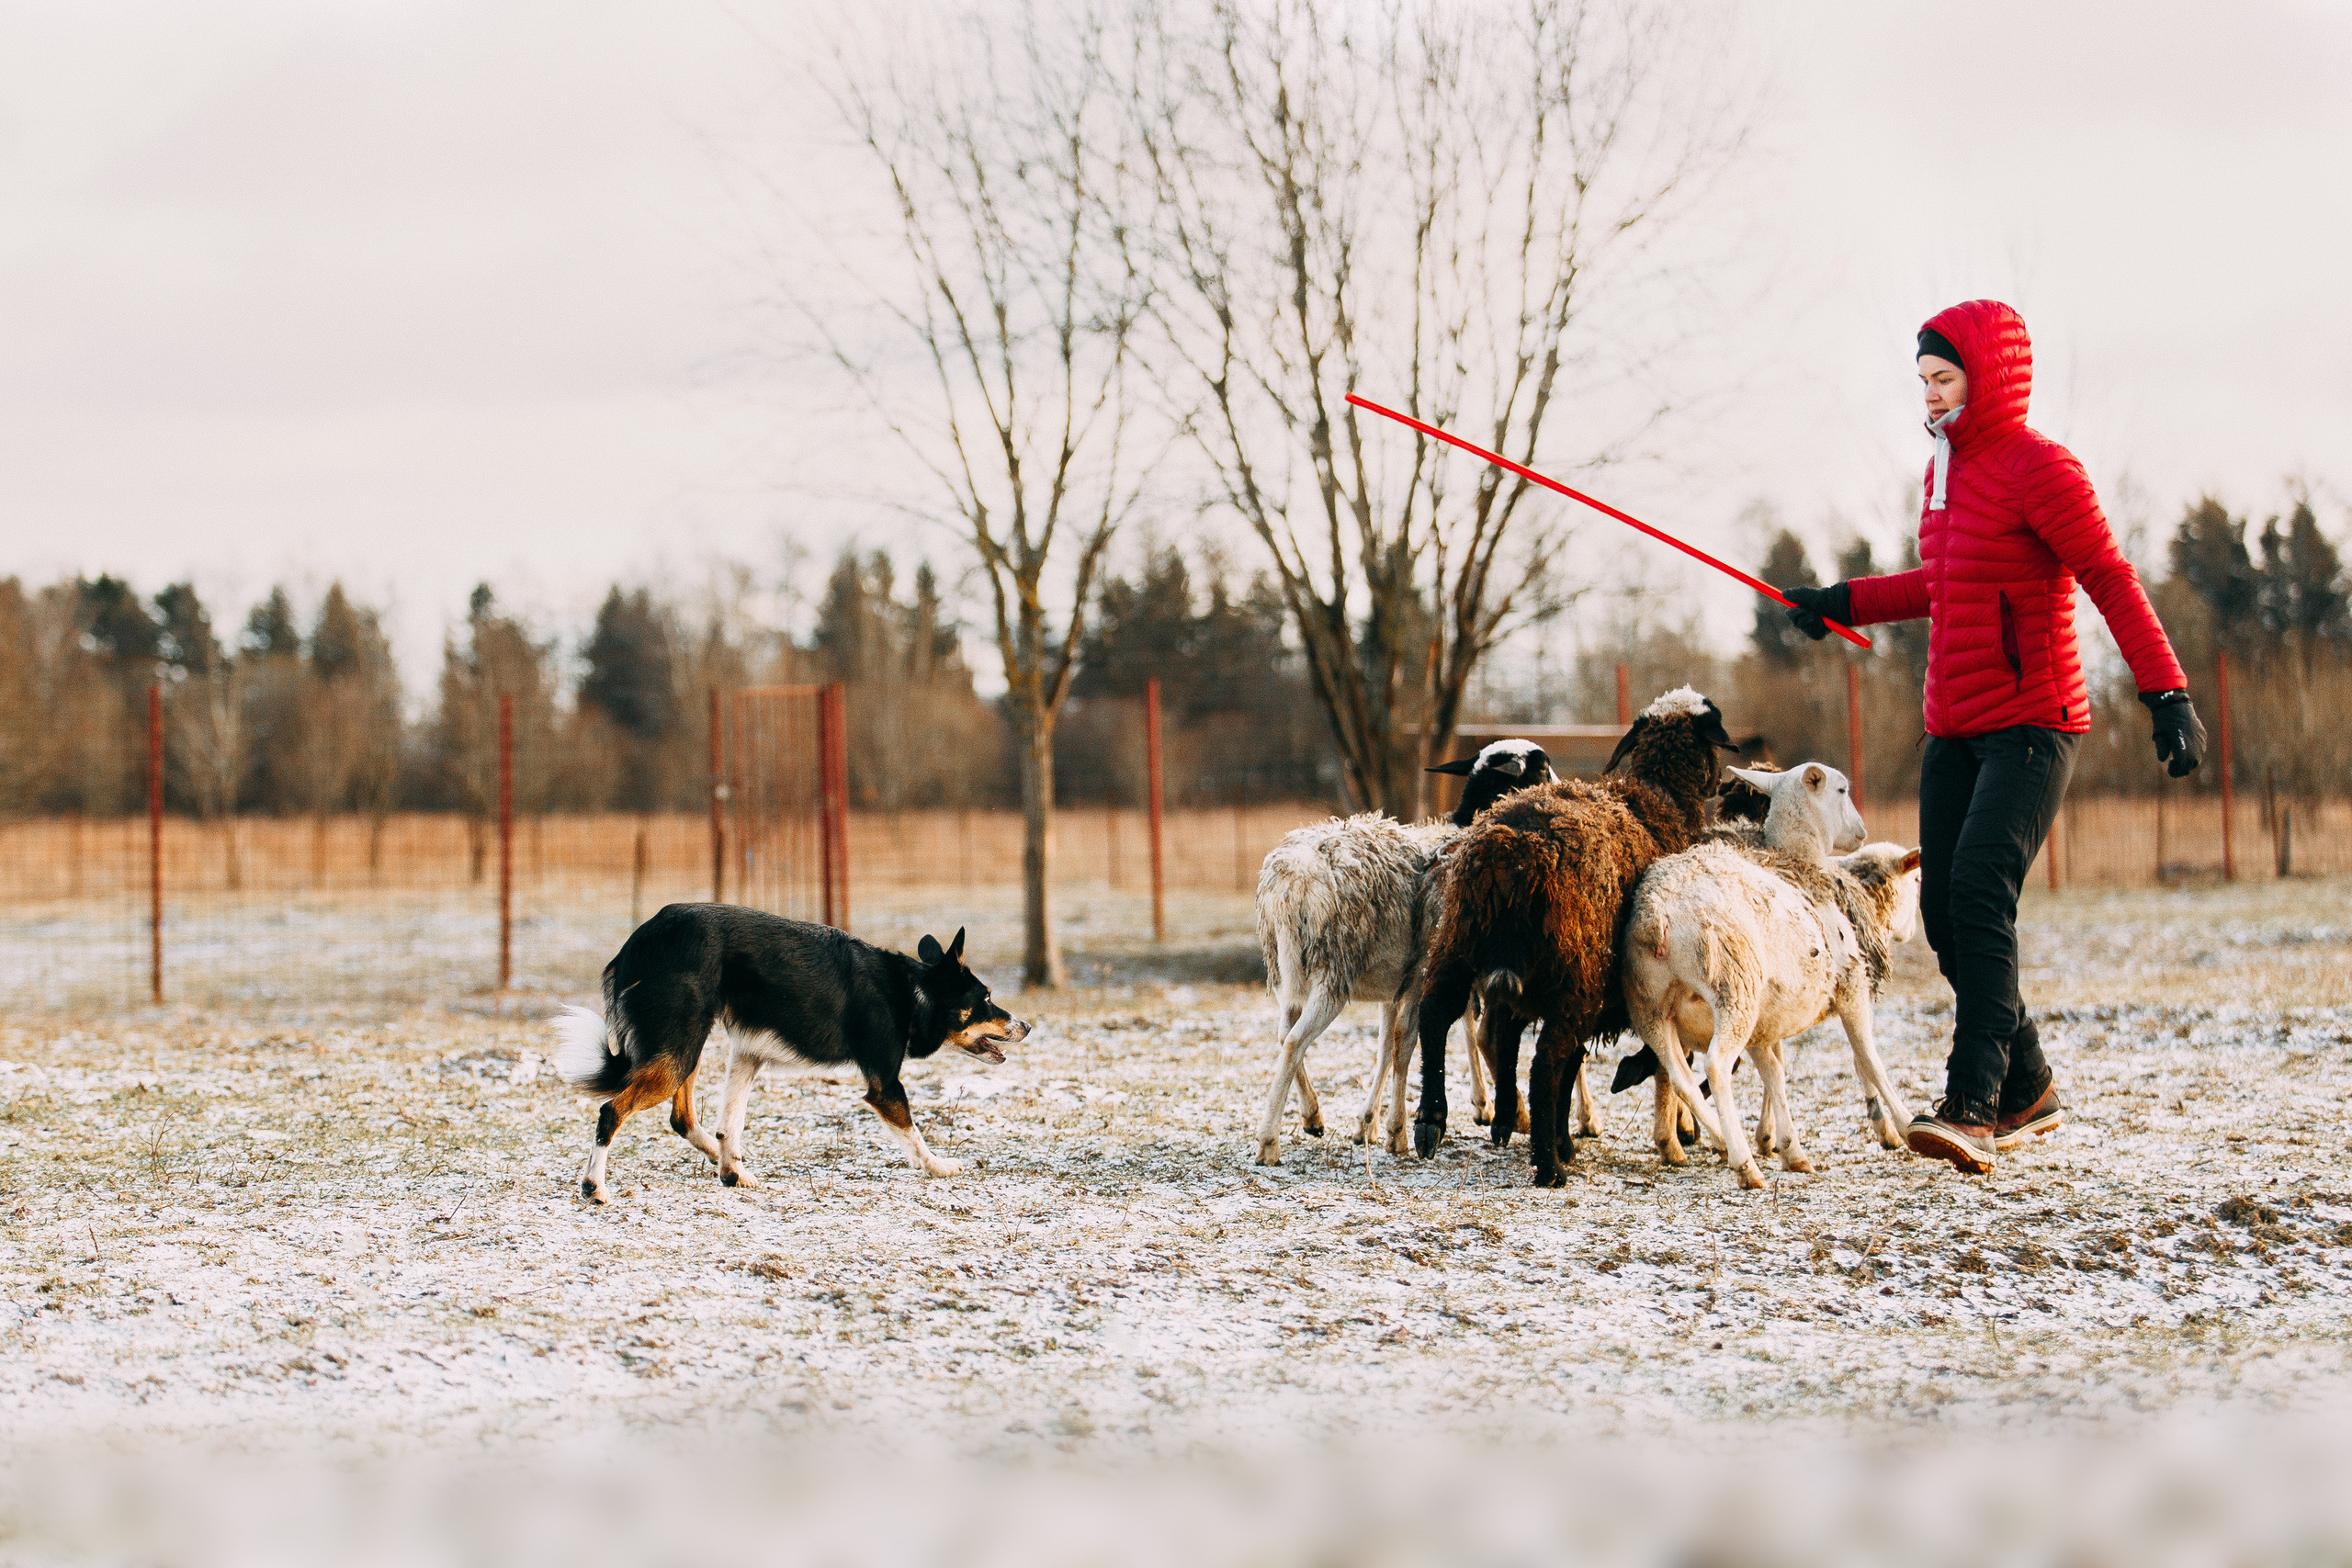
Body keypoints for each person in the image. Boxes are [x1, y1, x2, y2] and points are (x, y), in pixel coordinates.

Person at [1781, 299, 2206, 1175]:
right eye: (1924, 383)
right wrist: (1842, 603)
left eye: (1945, 380)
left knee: (1977, 894)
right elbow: (1941, 583)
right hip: (1957, 725)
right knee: (1941, 909)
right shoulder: (1945, 474)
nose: (1931, 398)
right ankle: (2031, 1086)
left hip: (2034, 721)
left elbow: (2109, 576)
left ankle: (1975, 1103)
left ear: (1989, 378)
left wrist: (2166, 691)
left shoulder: (2040, 469)